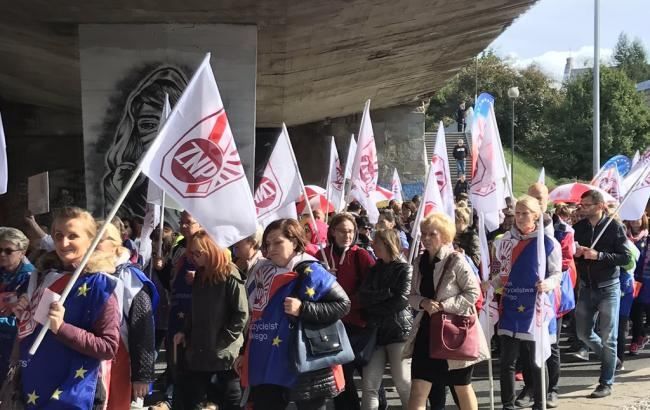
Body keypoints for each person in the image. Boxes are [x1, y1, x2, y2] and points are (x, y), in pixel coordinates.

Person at [237, 218, 351, 410]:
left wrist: (303, 309)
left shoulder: (311, 270)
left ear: (295, 242)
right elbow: (257, 316)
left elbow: (343, 304)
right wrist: (243, 352)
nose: (271, 248)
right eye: (267, 244)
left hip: (303, 360)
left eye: (278, 242)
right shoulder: (263, 271)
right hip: (268, 358)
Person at [15, 207, 121, 409]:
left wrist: (62, 328)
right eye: (58, 235)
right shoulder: (42, 277)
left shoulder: (100, 285)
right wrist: (24, 313)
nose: (64, 243)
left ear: (90, 239)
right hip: (33, 388)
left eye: (73, 236)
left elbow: (108, 347)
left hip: (73, 393)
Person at [405, 212, 488, 410]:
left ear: (444, 236)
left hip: (454, 333)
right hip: (427, 331)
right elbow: (411, 295)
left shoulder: (456, 260)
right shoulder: (418, 262)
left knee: (462, 387)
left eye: (431, 234)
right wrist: (423, 302)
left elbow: (473, 292)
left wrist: (444, 305)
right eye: (423, 234)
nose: (426, 238)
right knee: (418, 388)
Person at [489, 195, 562, 410]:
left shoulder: (548, 243)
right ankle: (508, 404)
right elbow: (502, 274)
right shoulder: (503, 241)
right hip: (510, 305)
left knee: (536, 360)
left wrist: (547, 284)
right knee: (507, 362)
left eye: (525, 213)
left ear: (536, 215)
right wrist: (489, 284)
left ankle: (539, 404)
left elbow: (557, 274)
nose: (519, 218)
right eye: (517, 214)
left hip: (535, 309)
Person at [174, 230, 248, 410]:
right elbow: (194, 310)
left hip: (224, 356)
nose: (194, 257)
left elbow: (241, 313)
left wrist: (222, 341)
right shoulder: (200, 275)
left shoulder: (229, 274)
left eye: (198, 253)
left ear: (211, 250)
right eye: (192, 253)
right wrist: (185, 331)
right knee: (196, 402)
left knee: (230, 402)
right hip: (199, 353)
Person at [573, 190, 630, 398]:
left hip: (609, 287)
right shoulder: (578, 228)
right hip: (587, 287)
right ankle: (612, 360)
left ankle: (605, 382)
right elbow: (571, 254)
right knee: (583, 333)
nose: (582, 208)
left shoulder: (614, 227)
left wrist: (599, 255)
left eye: (586, 205)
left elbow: (625, 257)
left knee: (609, 338)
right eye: (581, 205)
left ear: (599, 206)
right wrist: (576, 254)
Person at [318, 213, 375, 410]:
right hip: (332, 325)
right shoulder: (322, 256)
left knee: (367, 373)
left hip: (358, 325)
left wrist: (349, 303)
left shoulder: (361, 255)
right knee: (341, 374)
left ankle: (379, 404)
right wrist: (322, 278)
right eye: (343, 231)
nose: (347, 235)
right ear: (333, 231)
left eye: (351, 231)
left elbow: (372, 288)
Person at [98, 222, 158, 410]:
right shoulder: (84, 273)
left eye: (100, 239)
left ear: (115, 244)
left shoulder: (130, 278)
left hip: (118, 360)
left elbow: (143, 327)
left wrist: (142, 375)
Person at [359, 229, 412, 409]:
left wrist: (375, 302)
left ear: (388, 244)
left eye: (377, 243)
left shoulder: (405, 269)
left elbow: (400, 301)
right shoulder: (374, 270)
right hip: (376, 333)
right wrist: (386, 294)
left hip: (398, 332)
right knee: (369, 385)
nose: (373, 246)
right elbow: (363, 297)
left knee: (403, 383)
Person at [0, 227, 33, 385]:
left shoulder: (30, 277)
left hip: (12, 342)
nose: (2, 254)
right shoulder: (2, 271)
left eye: (8, 251)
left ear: (22, 252)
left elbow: (25, 320)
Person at [625, 215, 649, 355]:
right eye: (632, 218)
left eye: (637, 218)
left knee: (642, 309)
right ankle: (637, 338)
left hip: (645, 279)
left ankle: (638, 337)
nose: (634, 221)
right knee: (635, 311)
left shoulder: (647, 238)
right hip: (631, 278)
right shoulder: (624, 236)